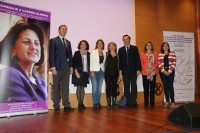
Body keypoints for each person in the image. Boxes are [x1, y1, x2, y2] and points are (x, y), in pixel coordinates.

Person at [0, 22, 47, 102]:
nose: (33, 47)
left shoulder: (43, 82)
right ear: (13, 50)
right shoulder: (9, 74)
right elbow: (28, 109)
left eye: (36, 43)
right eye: (26, 42)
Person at [49, 25, 74, 112]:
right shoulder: (53, 40)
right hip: (57, 66)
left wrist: (71, 66)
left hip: (66, 66)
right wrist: (52, 67)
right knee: (56, 86)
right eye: (62, 29)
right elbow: (51, 54)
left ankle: (66, 105)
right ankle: (56, 105)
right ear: (58, 30)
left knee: (66, 87)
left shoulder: (68, 42)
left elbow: (70, 55)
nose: (64, 31)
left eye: (65, 30)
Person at [118, 35, 141, 108]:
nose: (125, 41)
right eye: (124, 40)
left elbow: (138, 59)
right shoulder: (120, 50)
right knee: (126, 87)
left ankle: (134, 102)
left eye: (127, 39)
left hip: (133, 71)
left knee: (134, 86)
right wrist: (120, 73)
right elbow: (120, 62)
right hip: (125, 71)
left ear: (129, 40)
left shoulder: (134, 48)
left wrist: (138, 69)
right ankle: (127, 102)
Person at [72, 40, 90, 110]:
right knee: (79, 87)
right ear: (79, 45)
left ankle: (81, 103)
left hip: (85, 73)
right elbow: (74, 63)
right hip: (78, 72)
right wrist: (76, 72)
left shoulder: (88, 54)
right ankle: (80, 104)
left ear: (86, 46)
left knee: (83, 88)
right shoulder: (77, 53)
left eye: (84, 45)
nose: (83, 46)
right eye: (81, 44)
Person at [158, 42, 176, 109]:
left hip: (171, 72)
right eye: (164, 46)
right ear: (162, 47)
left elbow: (174, 63)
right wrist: (164, 71)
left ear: (168, 47)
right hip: (163, 72)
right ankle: (167, 101)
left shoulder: (172, 53)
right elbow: (159, 64)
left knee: (170, 86)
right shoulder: (160, 54)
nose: (165, 47)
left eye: (166, 45)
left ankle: (173, 102)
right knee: (165, 86)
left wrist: (169, 71)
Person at [140, 41, 158, 108]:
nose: (148, 46)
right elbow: (142, 63)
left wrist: (152, 69)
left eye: (150, 45)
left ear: (151, 46)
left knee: (152, 88)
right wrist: (146, 69)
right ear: (145, 46)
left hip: (153, 73)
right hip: (145, 73)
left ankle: (152, 102)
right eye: (147, 45)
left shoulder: (155, 53)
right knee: (146, 88)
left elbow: (156, 62)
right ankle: (146, 102)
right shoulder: (142, 54)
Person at [90, 39, 106, 110]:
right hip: (94, 71)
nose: (100, 44)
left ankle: (98, 103)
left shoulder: (104, 53)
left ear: (103, 45)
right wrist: (91, 71)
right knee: (95, 87)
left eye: (101, 43)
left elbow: (103, 63)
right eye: (98, 43)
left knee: (99, 88)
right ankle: (95, 103)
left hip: (101, 71)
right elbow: (91, 61)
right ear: (96, 44)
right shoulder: (93, 51)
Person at [105, 42, 119, 108]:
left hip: (115, 74)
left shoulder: (118, 55)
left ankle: (114, 103)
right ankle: (108, 103)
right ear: (108, 47)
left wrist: (120, 74)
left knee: (114, 88)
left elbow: (119, 65)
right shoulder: (106, 54)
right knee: (108, 88)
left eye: (113, 45)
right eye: (110, 46)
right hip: (107, 74)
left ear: (115, 47)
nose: (111, 47)